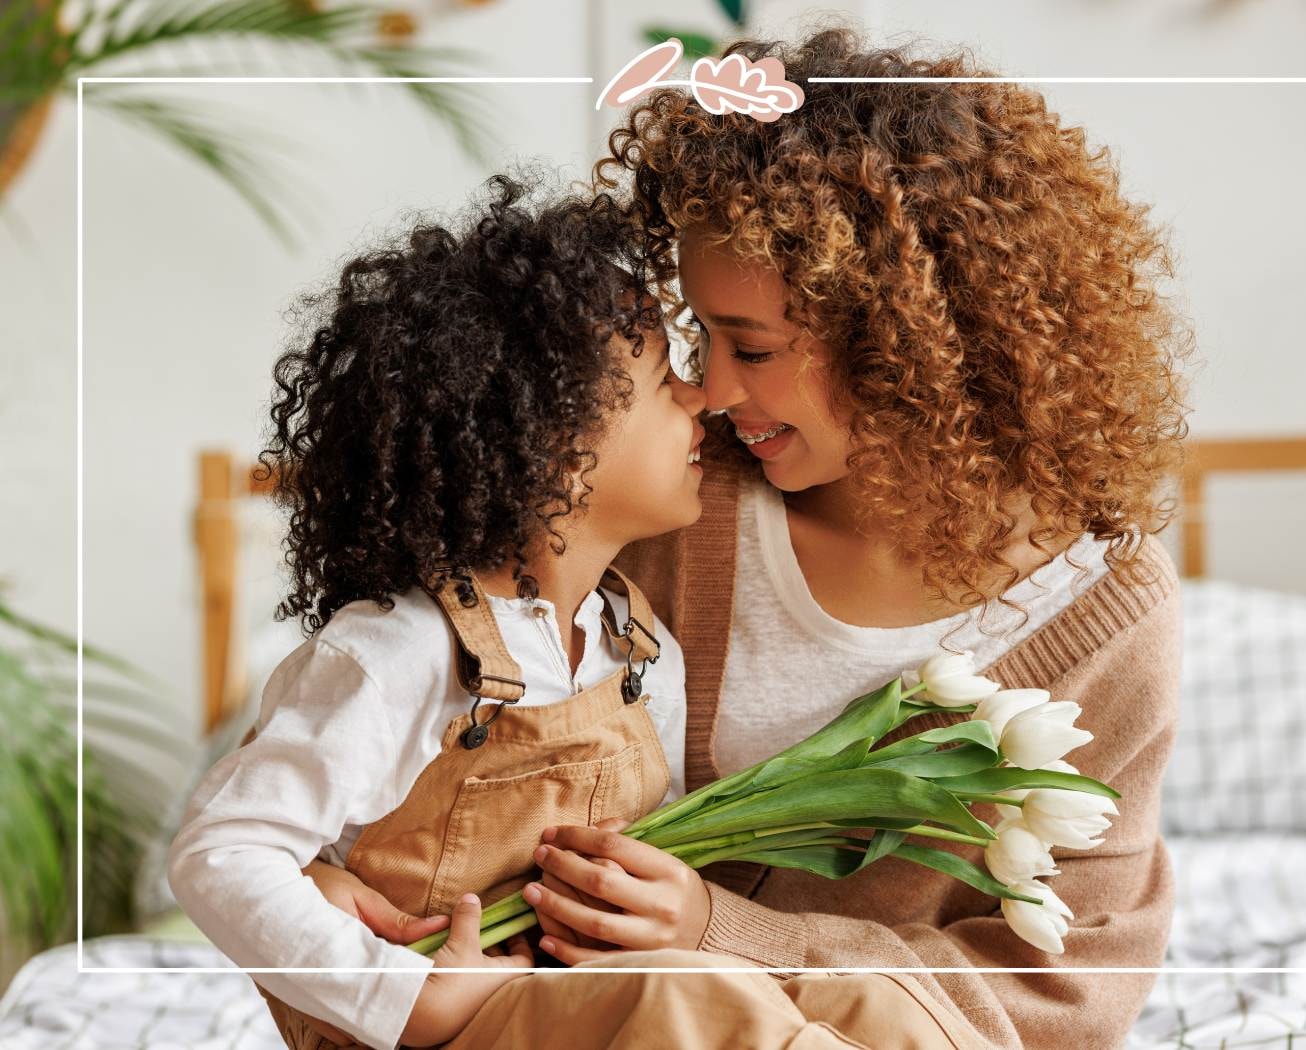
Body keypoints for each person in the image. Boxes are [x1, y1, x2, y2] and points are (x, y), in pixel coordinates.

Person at [301, 27, 1194, 1050]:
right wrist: (314, 881)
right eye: (700, 337)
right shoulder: (662, 504)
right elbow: (362, 726)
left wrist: (724, 931)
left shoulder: (1100, 611)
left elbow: (1067, 991)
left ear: (912, 339)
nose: (713, 392)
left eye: (754, 348)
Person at [166, 175, 709, 1050]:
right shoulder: (399, 652)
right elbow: (221, 854)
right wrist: (407, 999)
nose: (702, 397)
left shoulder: (641, 653)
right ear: (557, 453)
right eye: (662, 384)